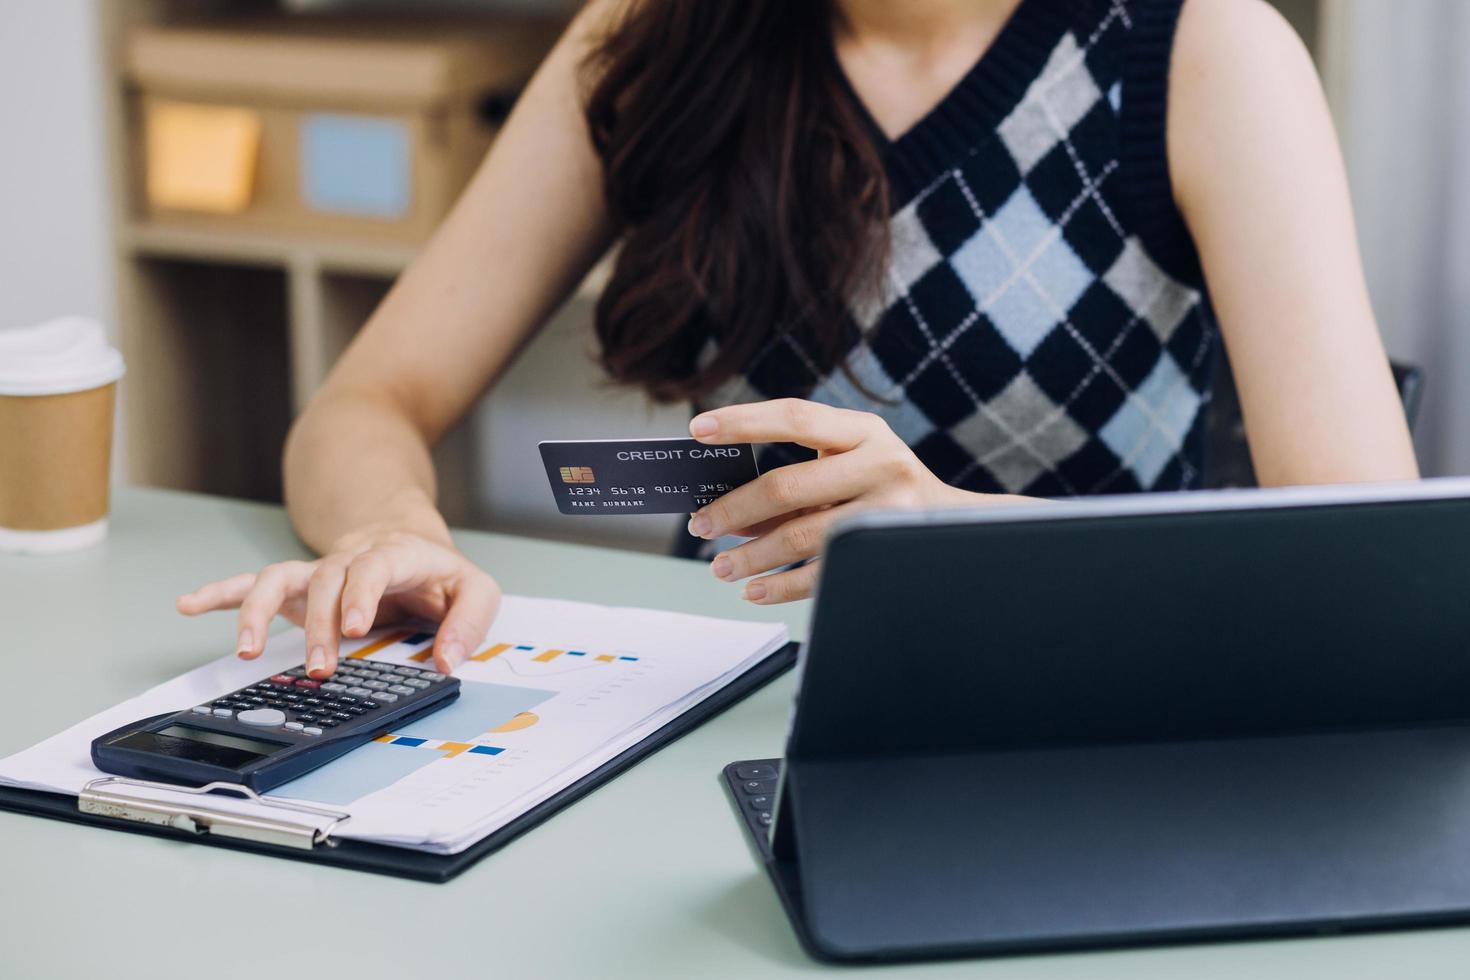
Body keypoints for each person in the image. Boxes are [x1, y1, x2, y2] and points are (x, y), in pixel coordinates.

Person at [177, 0, 1419, 677]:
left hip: (1083, 684)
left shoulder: (1202, 51)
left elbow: (1370, 577)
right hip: (726, 680)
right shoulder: (662, 33)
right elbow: (364, 401)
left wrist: (943, 536)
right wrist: (393, 530)